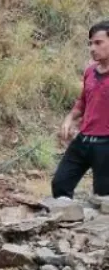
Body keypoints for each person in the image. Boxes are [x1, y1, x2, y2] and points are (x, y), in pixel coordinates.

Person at [52, 20, 109, 199]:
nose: (92, 48)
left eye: (98, 43)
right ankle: (65, 224)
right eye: (90, 43)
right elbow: (82, 103)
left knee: (103, 196)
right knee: (60, 184)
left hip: (106, 145)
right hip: (83, 139)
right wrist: (69, 120)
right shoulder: (90, 72)